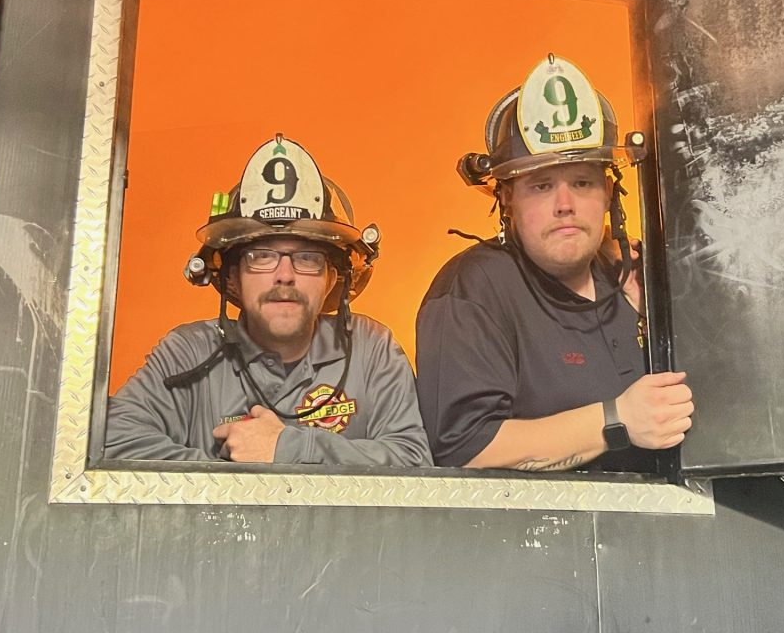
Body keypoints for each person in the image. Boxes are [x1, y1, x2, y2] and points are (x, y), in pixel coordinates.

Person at [415, 56, 694, 471]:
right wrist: (617, 420)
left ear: (609, 192)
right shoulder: (474, 287)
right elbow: (464, 449)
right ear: (506, 197)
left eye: (582, 182)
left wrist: (656, 318)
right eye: (541, 185)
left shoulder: (637, 281)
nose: (565, 205)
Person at [106, 134, 432, 467]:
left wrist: (291, 449)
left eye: (307, 258)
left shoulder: (371, 349)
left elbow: (414, 461)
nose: (285, 275)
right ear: (231, 277)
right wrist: (237, 478)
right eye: (260, 256)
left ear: (331, 278)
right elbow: (114, 439)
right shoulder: (188, 352)